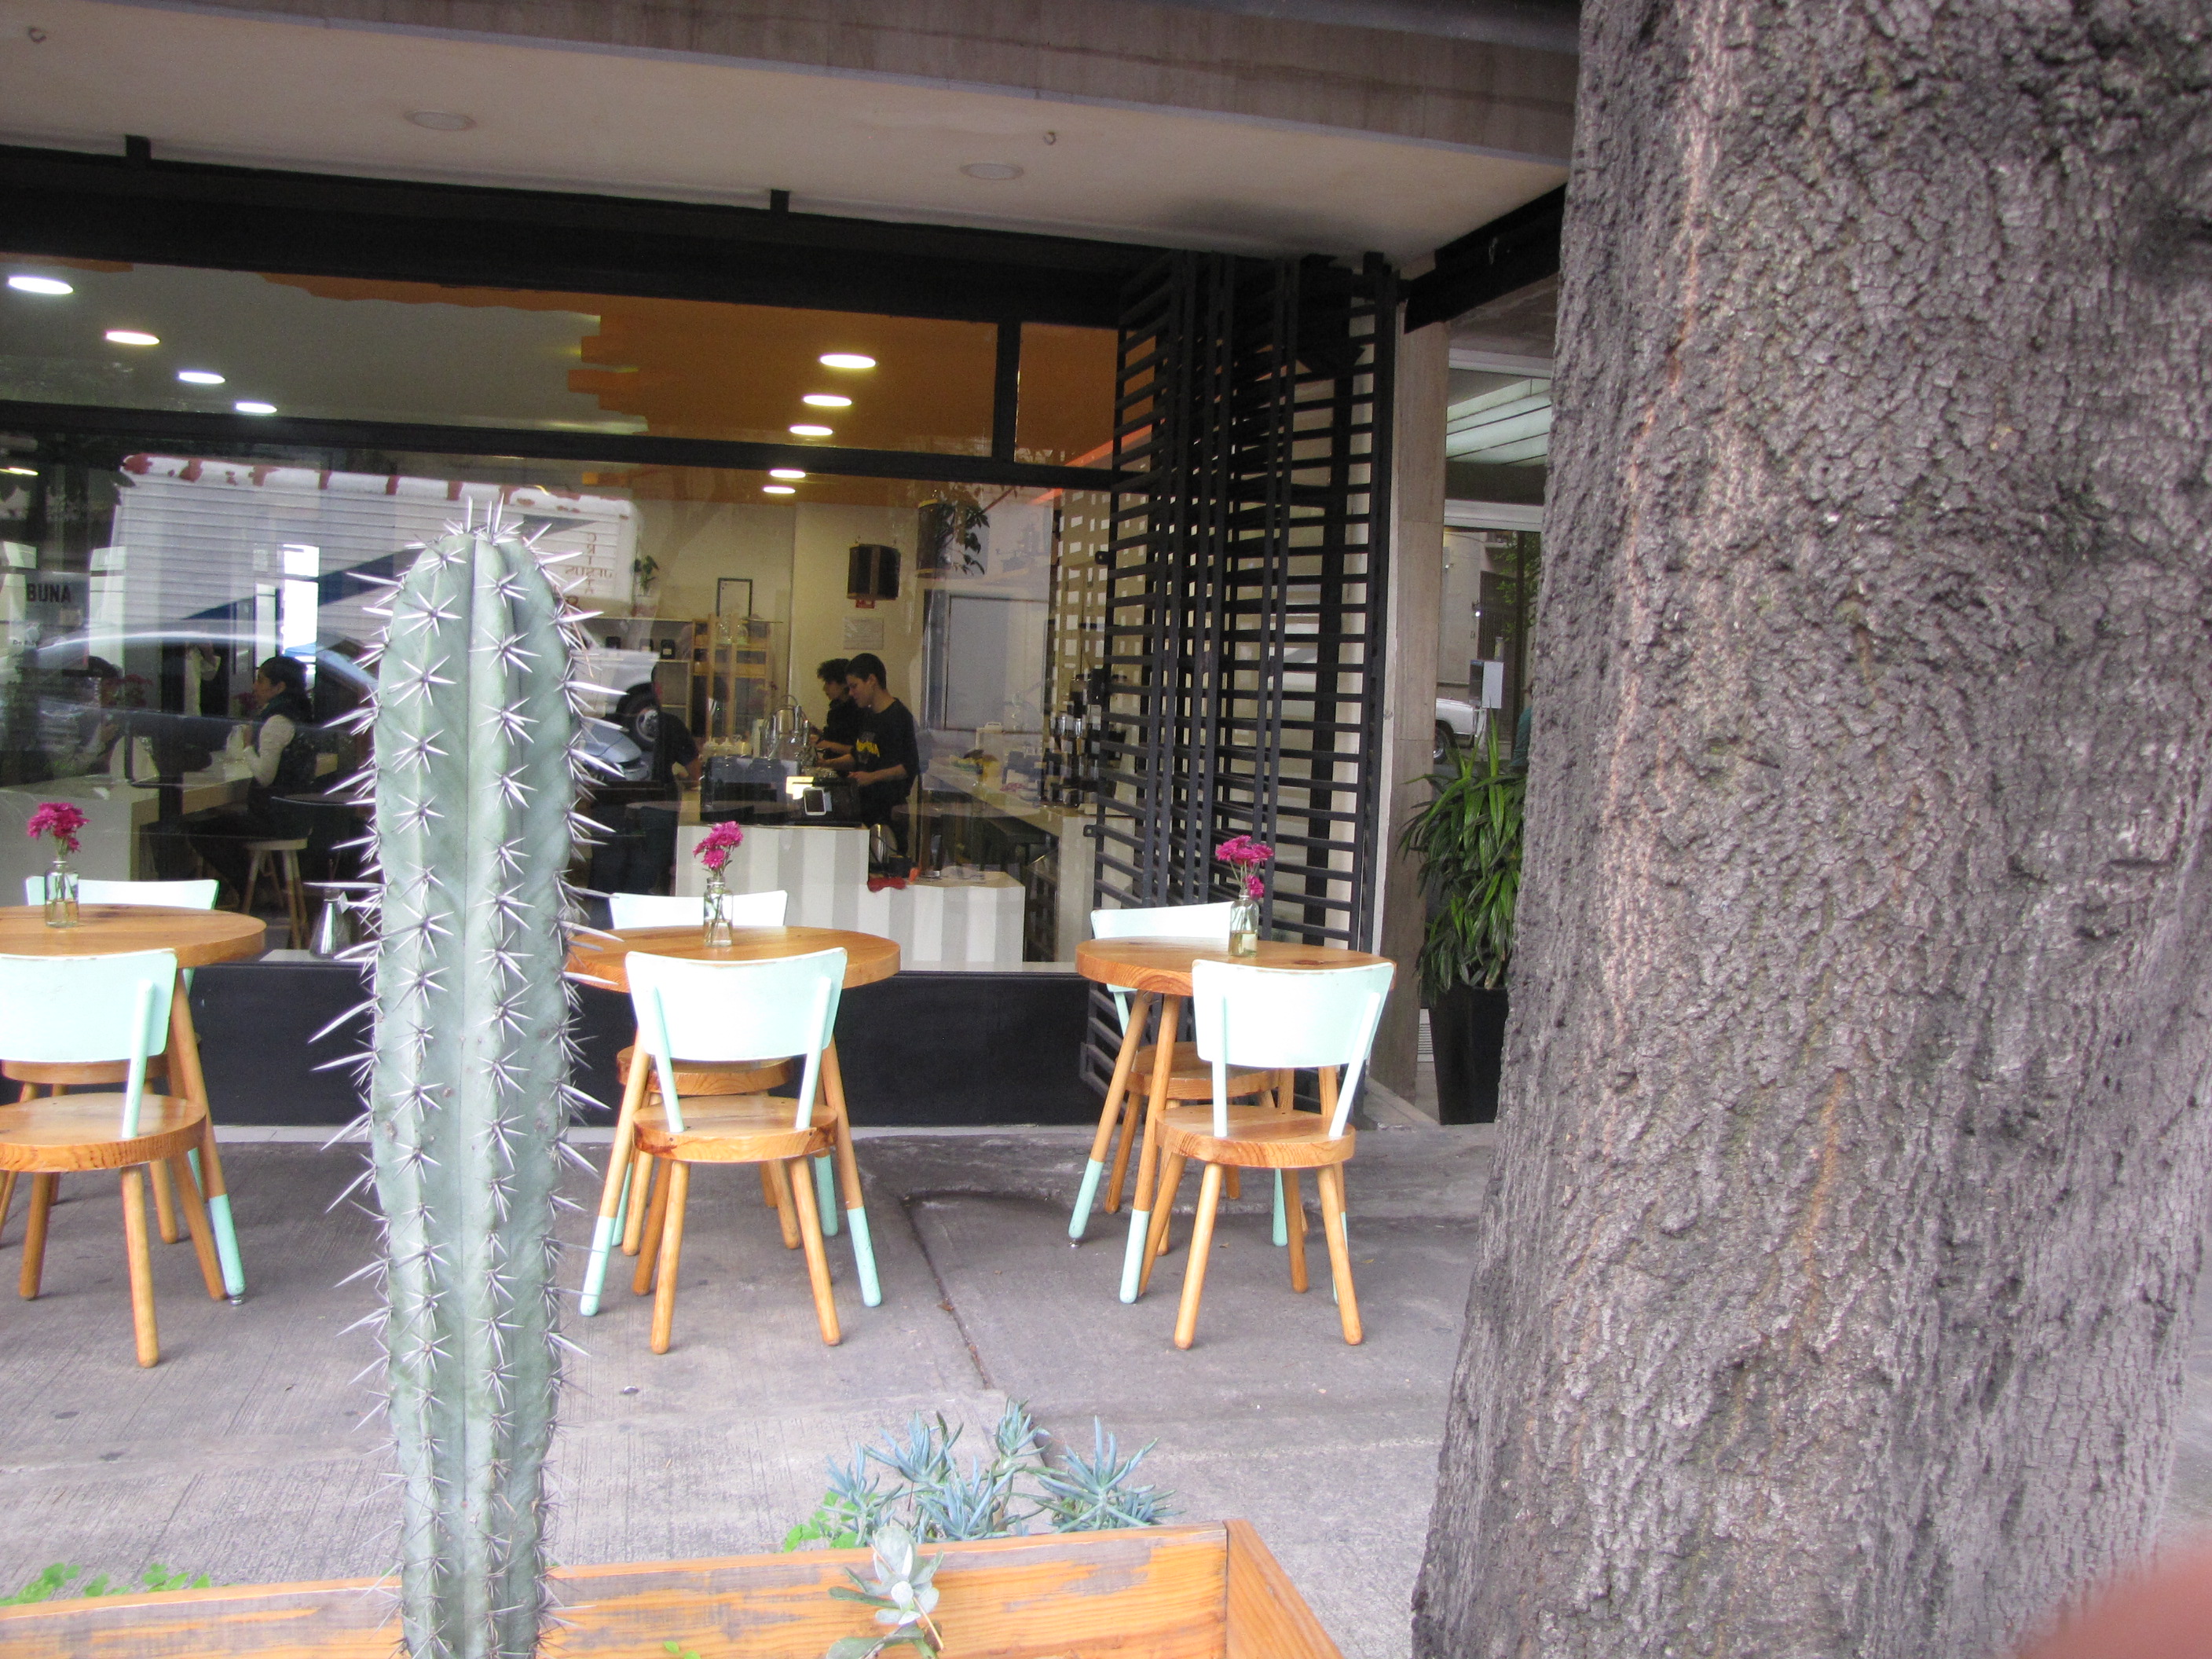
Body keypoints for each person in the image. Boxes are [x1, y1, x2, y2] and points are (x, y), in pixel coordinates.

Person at [186, 654, 320, 904]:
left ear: (278, 687)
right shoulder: (299, 717)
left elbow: (265, 776)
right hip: (297, 815)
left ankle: (254, 888)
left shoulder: (276, 722)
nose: (254, 687)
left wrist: (248, 746)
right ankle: (254, 886)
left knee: (203, 832)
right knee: (223, 827)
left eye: (261, 680)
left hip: (275, 818)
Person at [830, 651, 919, 849]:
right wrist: (824, 764)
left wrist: (872, 777)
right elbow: (858, 756)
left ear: (871, 680)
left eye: (854, 686)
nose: (851, 693)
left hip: (887, 813)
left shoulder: (898, 717)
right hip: (866, 809)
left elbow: (908, 767)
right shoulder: (868, 715)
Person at [614, 680, 698, 790]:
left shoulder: (607, 726)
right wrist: (681, 779)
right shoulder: (671, 724)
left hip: (616, 800)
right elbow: (696, 776)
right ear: (658, 689)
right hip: (659, 801)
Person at [814, 657, 862, 762]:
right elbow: (837, 735)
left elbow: (859, 751)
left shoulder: (858, 711)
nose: (825, 688)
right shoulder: (836, 708)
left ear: (844, 683)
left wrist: (827, 745)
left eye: (829, 683)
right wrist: (817, 733)